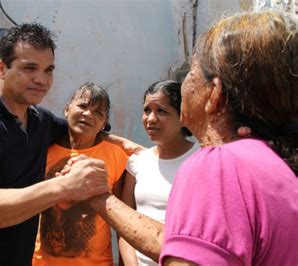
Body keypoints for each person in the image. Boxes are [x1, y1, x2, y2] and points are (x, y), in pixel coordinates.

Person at [86, 10, 298, 265]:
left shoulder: (218, 166)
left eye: (191, 72)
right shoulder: (276, 163)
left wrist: (97, 196)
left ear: (215, 94)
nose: (184, 84)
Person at [0, 23, 140, 266]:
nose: (41, 79)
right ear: (1, 68)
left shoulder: (39, 121)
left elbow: (80, 127)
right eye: (29, 68)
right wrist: (65, 185)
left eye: (48, 70)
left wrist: (127, 145)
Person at [32, 83, 130, 266]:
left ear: (104, 124)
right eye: (83, 106)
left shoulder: (117, 156)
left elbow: (122, 223)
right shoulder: (43, 152)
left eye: (98, 112)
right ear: (67, 109)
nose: (88, 114)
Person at [119, 80, 199, 266]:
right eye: (147, 110)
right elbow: (124, 223)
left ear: (182, 115)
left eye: (161, 111)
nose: (151, 118)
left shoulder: (202, 159)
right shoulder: (137, 163)